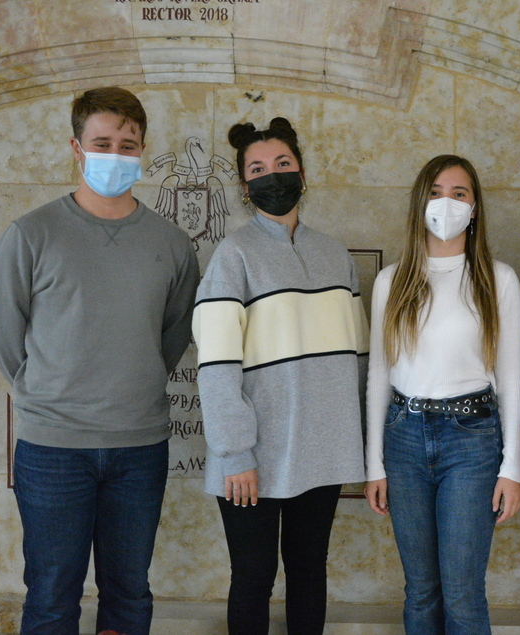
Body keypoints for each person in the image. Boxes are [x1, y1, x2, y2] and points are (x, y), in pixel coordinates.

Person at [0, 86, 200, 635]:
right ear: (76, 149)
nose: (116, 154)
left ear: (143, 150)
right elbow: (3, 333)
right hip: (53, 450)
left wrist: (130, 378)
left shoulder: (172, 244)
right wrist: (46, 391)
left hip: (138, 448)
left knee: (129, 593)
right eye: (102, 142)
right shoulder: (31, 234)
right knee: (53, 593)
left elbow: (173, 336)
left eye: (128, 145)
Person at [192, 117, 367, 635]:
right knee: (254, 575)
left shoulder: (335, 254)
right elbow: (217, 365)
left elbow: (355, 356)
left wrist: (351, 438)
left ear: (303, 173)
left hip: (323, 449)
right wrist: (235, 451)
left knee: (310, 572)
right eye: (259, 169)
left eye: (283, 164)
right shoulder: (233, 256)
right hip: (253, 456)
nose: (274, 176)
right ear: (245, 187)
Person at [364, 154, 520, 634]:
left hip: (471, 440)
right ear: (420, 203)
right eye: (436, 192)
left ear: (474, 209)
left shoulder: (498, 280)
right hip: (404, 438)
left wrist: (512, 467)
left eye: (459, 194)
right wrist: (375, 464)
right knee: (421, 592)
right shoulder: (391, 282)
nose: (446, 204)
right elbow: (378, 373)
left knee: (461, 592)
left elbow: (514, 376)